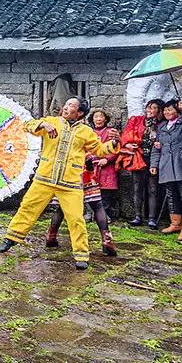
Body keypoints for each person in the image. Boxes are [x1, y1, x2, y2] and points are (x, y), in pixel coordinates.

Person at [0, 97, 120, 270]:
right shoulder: (51, 121)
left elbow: (99, 149)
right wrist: (43, 126)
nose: (66, 107)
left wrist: (115, 143)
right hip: (44, 178)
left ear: (80, 113)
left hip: (70, 183)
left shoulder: (85, 131)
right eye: (67, 103)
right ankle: (10, 239)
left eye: (71, 105)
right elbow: (27, 126)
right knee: (27, 208)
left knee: (76, 219)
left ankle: (81, 255)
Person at [45, 108, 121, 256]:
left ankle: (51, 235)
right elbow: (92, 150)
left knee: (62, 207)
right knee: (97, 205)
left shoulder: (56, 130)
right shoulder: (83, 131)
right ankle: (107, 240)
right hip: (84, 172)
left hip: (66, 174)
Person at [152, 100, 182, 242]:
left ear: (177, 111)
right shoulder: (162, 127)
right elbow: (156, 147)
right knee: (171, 195)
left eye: (170, 110)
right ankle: (175, 224)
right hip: (166, 165)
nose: (167, 113)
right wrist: (154, 164)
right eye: (165, 110)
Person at [121, 99, 165, 229]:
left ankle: (152, 218)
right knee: (137, 187)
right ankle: (137, 216)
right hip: (138, 157)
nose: (150, 110)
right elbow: (125, 136)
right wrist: (128, 144)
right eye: (148, 107)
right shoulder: (137, 120)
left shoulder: (162, 124)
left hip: (154, 158)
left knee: (153, 189)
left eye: (154, 108)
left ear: (159, 111)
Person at [91, 109, 120, 223]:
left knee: (106, 193)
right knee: (90, 190)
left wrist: (106, 159)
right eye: (96, 116)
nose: (98, 119)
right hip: (91, 166)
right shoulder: (89, 132)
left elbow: (116, 148)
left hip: (106, 167)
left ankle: (105, 214)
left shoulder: (110, 132)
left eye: (101, 116)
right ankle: (91, 214)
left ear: (106, 119)